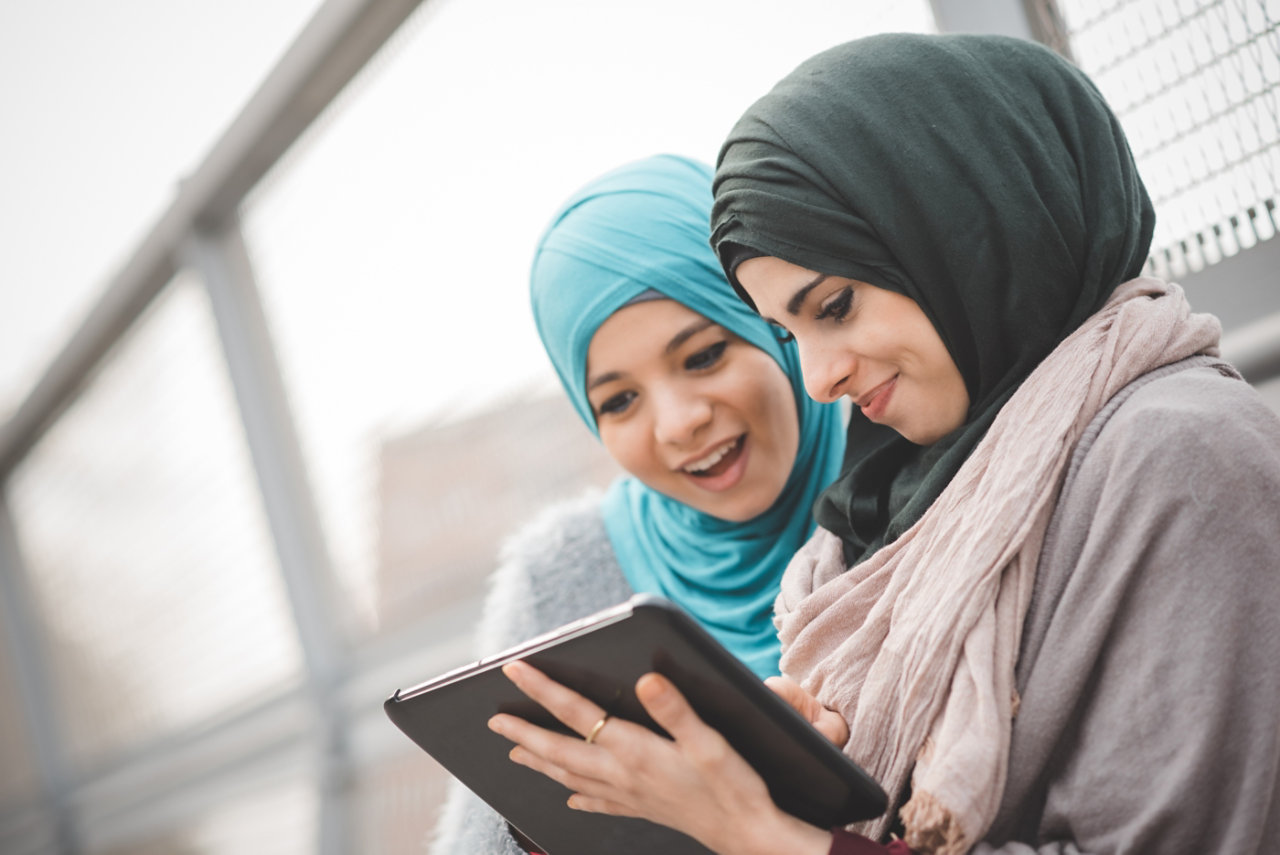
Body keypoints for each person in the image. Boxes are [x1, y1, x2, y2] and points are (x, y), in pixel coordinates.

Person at [488, 34, 1280, 854]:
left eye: (833, 306)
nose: (821, 379)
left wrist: (756, 833)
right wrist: (797, 774)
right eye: (789, 336)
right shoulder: (895, 506)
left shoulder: (1182, 455)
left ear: (969, 227)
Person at [427, 153, 846, 854]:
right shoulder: (563, 575)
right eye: (619, 400)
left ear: (773, 322)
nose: (678, 422)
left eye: (705, 354)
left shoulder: (916, 486)